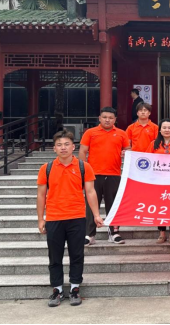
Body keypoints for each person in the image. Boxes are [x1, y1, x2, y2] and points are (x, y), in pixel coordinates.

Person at [37, 130, 104, 308]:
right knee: (55, 256)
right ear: (54, 148)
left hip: (77, 217)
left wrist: (96, 215)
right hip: (54, 218)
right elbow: (41, 195)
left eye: (66, 144)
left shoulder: (83, 167)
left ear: (73, 147)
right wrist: (41, 219)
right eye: (59, 145)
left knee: (76, 254)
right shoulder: (46, 168)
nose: (63, 148)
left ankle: (75, 288)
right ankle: (57, 290)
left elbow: (90, 192)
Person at [79, 107, 131, 246]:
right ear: (99, 118)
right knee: (91, 205)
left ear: (115, 120)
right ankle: (89, 234)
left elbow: (128, 149)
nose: (107, 120)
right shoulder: (90, 132)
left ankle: (114, 233)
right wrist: (83, 170)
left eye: (110, 118)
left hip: (114, 174)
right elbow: (83, 151)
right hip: (93, 175)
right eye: (105, 117)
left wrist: (126, 152)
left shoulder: (121, 133)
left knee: (113, 205)